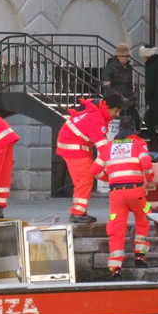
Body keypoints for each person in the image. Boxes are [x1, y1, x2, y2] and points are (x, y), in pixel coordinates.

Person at [91, 116, 153, 280]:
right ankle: (139, 257)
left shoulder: (108, 147)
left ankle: (116, 269)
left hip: (116, 195)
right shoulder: (139, 144)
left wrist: (111, 178)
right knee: (144, 219)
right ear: (134, 130)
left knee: (117, 229)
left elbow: (95, 170)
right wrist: (150, 179)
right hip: (137, 192)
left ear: (118, 131)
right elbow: (146, 165)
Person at [55, 90, 125, 224]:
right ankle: (78, 213)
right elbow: (104, 149)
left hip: (75, 146)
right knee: (84, 179)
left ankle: (79, 211)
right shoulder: (96, 120)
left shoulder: (96, 111)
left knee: (85, 179)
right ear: (108, 106)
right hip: (75, 149)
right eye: (116, 111)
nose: (117, 115)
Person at [101, 43, 140, 131]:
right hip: (117, 95)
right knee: (120, 115)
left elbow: (129, 83)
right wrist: (107, 81)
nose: (126, 58)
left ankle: (135, 132)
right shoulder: (111, 66)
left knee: (135, 116)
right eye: (124, 56)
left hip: (128, 96)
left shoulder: (129, 68)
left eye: (127, 56)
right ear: (118, 56)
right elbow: (106, 75)